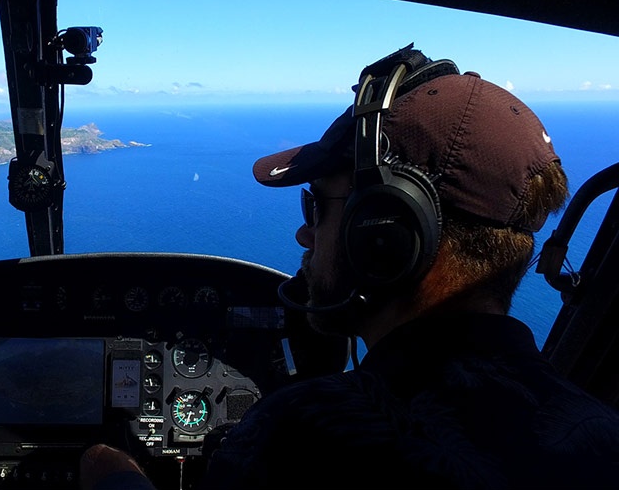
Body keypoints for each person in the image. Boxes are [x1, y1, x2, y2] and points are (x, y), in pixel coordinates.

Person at [79, 45, 619, 489]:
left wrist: (112, 475)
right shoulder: (601, 435)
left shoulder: (304, 438)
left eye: (317, 206)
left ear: (387, 233)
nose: (304, 234)